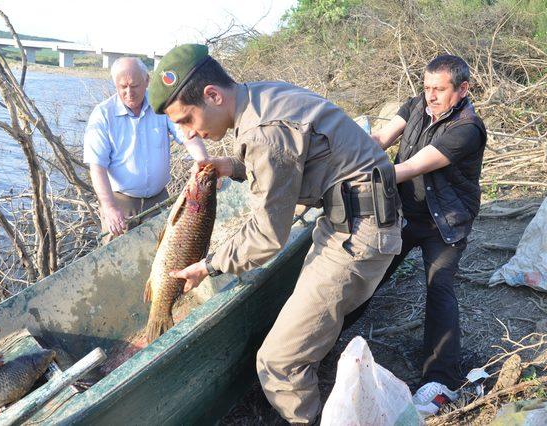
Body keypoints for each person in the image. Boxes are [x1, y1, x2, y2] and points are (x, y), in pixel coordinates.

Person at [148, 44, 403, 424]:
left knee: (277, 363)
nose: (188, 132)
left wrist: (208, 265)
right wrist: (232, 166)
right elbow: (290, 160)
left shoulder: (262, 130)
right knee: (300, 334)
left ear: (213, 95)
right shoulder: (262, 95)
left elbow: (267, 236)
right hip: (349, 219)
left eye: (186, 119)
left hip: (357, 234)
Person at [369, 54, 487, 415]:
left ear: (462, 89)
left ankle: (440, 378)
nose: (430, 96)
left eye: (439, 89)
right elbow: (381, 138)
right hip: (407, 216)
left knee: (439, 287)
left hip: (445, 222)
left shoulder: (468, 129)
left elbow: (409, 168)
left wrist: (364, 174)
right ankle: (321, 345)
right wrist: (351, 151)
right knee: (368, 274)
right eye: (426, 87)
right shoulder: (417, 105)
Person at [83, 57, 209, 242]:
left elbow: (187, 135)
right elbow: (97, 167)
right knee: (117, 262)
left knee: (162, 255)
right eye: (122, 87)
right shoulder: (102, 115)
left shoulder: (162, 105)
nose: (129, 92)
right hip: (121, 203)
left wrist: (203, 162)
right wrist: (109, 208)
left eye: (134, 86)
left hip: (159, 200)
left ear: (147, 81)